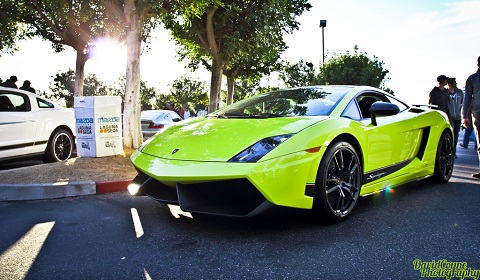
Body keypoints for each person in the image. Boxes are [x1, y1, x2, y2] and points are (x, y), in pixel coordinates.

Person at [462, 56, 480, 178]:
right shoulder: (472, 79)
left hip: (477, 112)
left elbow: (467, 98)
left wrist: (465, 116)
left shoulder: (472, 78)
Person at [447, 77, 464, 157]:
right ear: (449, 84)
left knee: (456, 135)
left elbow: (463, 104)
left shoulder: (460, 92)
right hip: (449, 117)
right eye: (454, 83)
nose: (456, 84)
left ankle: (453, 152)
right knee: (451, 134)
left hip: (458, 117)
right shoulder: (446, 93)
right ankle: (449, 151)